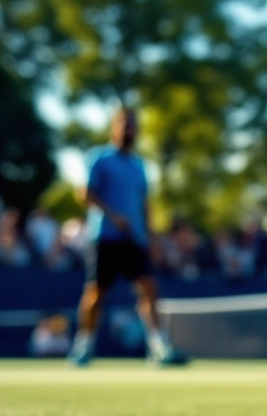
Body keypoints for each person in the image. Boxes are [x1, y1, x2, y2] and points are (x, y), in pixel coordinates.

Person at [67, 105, 187, 367]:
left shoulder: (139, 165)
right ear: (114, 127)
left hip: (135, 240)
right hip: (105, 237)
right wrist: (112, 215)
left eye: (132, 124)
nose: (128, 129)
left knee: (149, 289)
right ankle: (83, 347)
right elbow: (85, 193)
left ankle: (159, 348)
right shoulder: (99, 158)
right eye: (123, 124)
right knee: (96, 291)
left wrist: (152, 238)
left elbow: (145, 204)